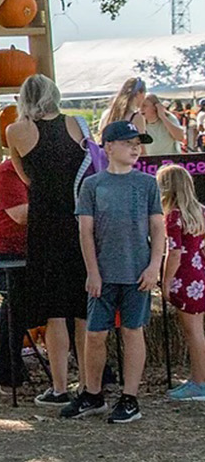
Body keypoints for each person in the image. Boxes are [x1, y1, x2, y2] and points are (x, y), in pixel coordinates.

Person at [61, 120, 165, 423]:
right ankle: (92, 393)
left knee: (133, 331)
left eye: (138, 143)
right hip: (103, 273)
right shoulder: (93, 185)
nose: (136, 148)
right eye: (128, 143)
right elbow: (86, 233)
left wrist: (154, 265)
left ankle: (130, 397)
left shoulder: (146, 184)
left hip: (137, 272)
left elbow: (158, 228)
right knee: (95, 334)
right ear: (109, 147)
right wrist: (92, 272)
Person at [7, 73, 94, 407]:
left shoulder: (17, 131)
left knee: (55, 310)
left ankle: (59, 387)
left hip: (44, 222)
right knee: (83, 306)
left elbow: (24, 175)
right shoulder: (77, 124)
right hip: (79, 218)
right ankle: (89, 383)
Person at [157, 164, 205, 400]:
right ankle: (199, 377)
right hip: (199, 273)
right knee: (198, 330)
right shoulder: (200, 212)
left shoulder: (173, 216)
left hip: (184, 277)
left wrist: (165, 283)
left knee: (192, 331)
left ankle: (199, 382)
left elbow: (174, 252)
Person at [0, 153, 31, 387]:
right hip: (3, 255)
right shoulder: (7, 173)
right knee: (17, 294)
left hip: (37, 251)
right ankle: (6, 364)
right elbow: (21, 215)